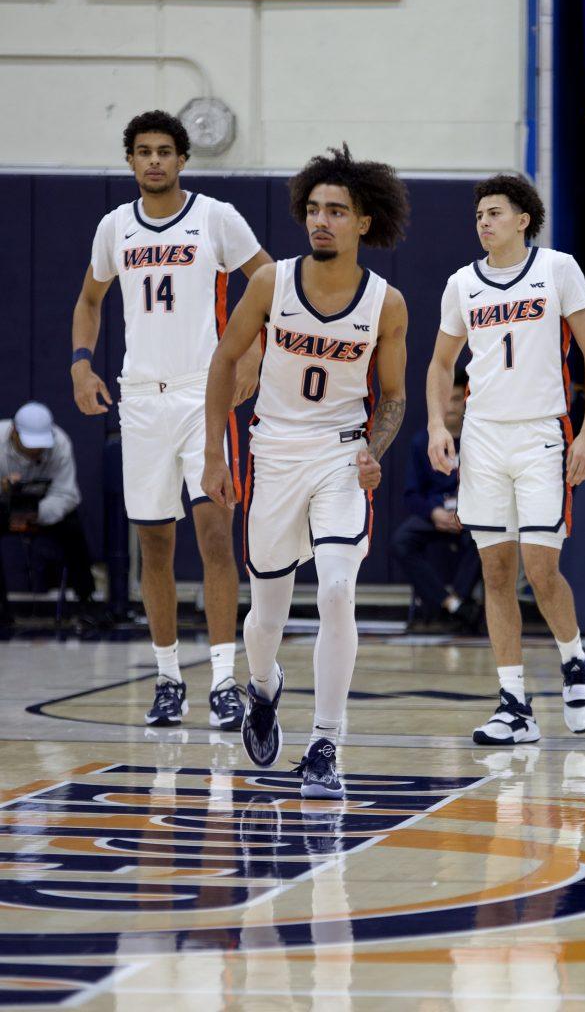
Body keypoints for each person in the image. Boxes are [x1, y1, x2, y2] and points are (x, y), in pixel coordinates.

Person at [202, 145, 409, 800]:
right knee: (266, 610)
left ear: (363, 223)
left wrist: (376, 447)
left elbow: (396, 395)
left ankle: (326, 738)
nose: (321, 221)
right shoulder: (270, 284)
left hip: (341, 453)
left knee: (337, 592)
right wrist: (215, 453)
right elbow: (222, 363)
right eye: (315, 209)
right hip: (273, 451)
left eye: (336, 211)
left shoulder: (387, 303)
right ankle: (263, 690)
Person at [71, 110, 271, 729]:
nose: (154, 160)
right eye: (143, 151)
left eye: (164, 150)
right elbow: (88, 299)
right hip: (140, 399)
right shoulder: (113, 227)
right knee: (153, 544)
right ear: (130, 160)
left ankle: (220, 680)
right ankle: (166, 679)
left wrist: (254, 350)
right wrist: (81, 363)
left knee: (215, 537)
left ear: (183, 159)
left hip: (200, 395)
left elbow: (267, 280)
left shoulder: (216, 217)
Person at [425, 174, 585, 746]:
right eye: (479, 213)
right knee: (496, 572)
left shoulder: (558, 269)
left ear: (523, 219)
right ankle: (513, 704)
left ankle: (576, 664)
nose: (484, 221)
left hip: (541, 434)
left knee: (540, 567)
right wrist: (437, 424)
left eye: (495, 212)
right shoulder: (461, 283)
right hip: (483, 437)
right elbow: (439, 365)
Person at [392, 367, 482, 632]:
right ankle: (452, 605)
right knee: (401, 542)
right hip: (437, 514)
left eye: (457, 399)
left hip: (470, 515)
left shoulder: (479, 439)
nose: (451, 406)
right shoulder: (423, 442)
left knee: (486, 538)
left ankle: (458, 603)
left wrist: (466, 511)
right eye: (447, 399)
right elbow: (411, 495)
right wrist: (434, 513)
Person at [0, 402, 99, 632]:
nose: (36, 451)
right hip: (3, 508)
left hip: (43, 509)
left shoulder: (60, 443)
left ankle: (87, 602)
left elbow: (66, 494)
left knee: (74, 530)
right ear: (14, 431)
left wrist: (37, 514)